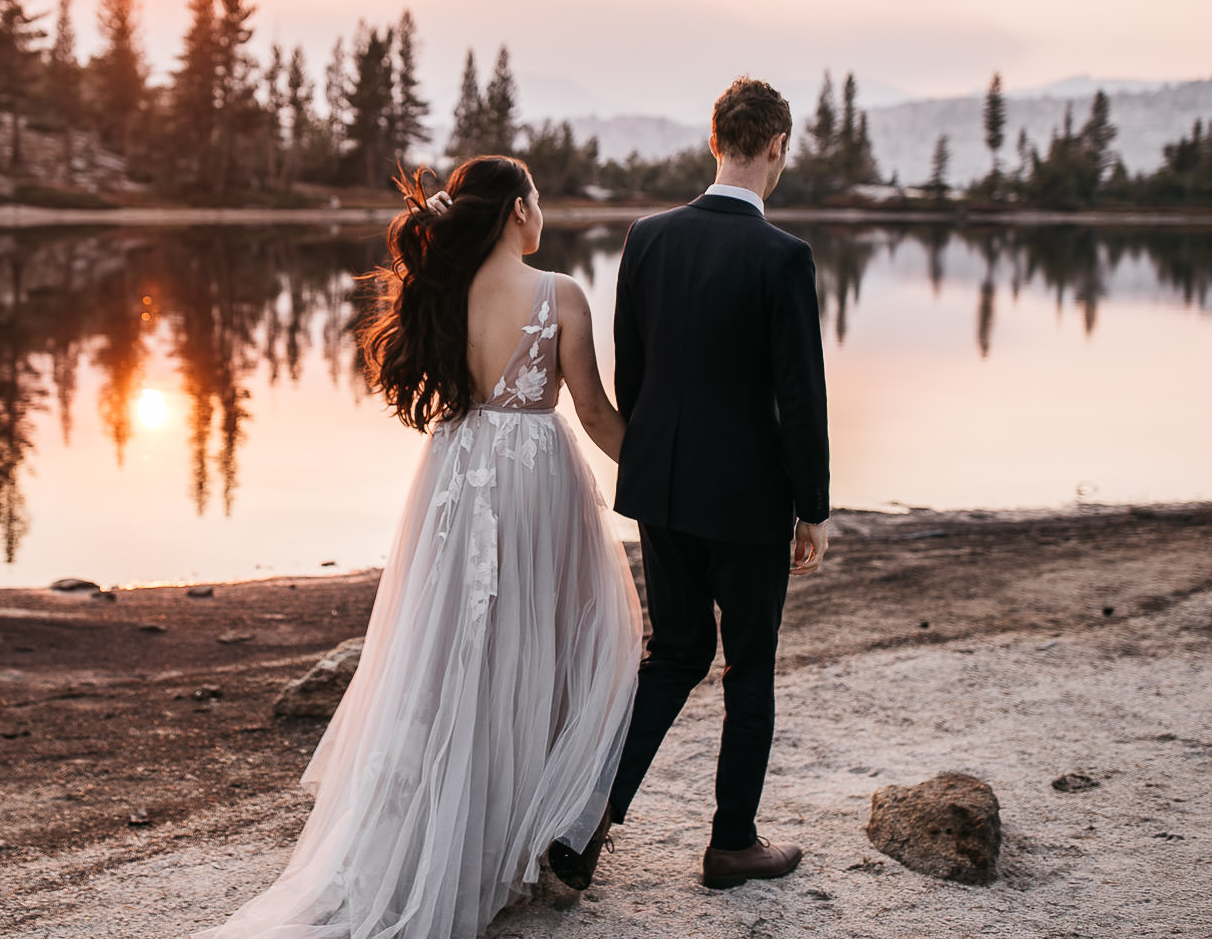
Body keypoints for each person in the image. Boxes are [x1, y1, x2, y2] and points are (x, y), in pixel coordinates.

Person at [195, 155, 643, 937]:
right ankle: (514, 833)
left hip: (457, 472)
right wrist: (670, 484)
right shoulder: (560, 293)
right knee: (559, 641)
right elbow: (600, 419)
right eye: (535, 201)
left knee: (448, 648)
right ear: (514, 210)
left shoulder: (440, 291)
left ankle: (451, 828)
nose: (542, 215)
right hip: (536, 480)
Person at [549, 75, 830, 893]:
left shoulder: (647, 238)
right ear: (776, 148)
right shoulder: (784, 256)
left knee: (673, 654)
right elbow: (799, 395)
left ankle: (584, 824)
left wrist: (656, 459)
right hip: (747, 502)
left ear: (715, 142)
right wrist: (811, 507)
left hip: (663, 485)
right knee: (749, 667)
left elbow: (634, 375)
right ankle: (732, 843)